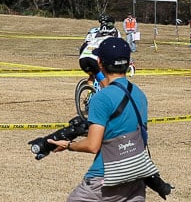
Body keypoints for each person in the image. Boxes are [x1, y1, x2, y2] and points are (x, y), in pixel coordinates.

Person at [50, 36, 150, 201]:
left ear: (100, 62)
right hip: (136, 176)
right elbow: (116, 92)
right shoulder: (138, 93)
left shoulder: (101, 99)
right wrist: (98, 74)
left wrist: (68, 145)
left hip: (105, 177)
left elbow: (92, 145)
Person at [78, 16, 120, 88]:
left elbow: (84, 46)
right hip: (95, 58)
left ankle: (90, 91)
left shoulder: (95, 31)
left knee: (93, 74)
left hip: (83, 58)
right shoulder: (112, 35)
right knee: (106, 83)